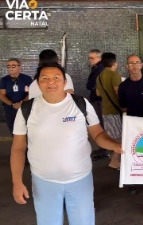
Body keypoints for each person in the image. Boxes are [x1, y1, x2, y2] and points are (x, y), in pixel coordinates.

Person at [10, 63, 123, 225]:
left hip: (80, 179)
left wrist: (115, 146)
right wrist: (17, 182)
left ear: (64, 82)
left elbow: (98, 133)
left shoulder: (80, 104)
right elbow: (18, 148)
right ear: (38, 83)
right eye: (45, 79)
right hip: (43, 181)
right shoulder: (27, 109)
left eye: (56, 78)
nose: (51, 82)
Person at [96, 52, 122, 170]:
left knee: (113, 137)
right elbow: (118, 92)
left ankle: (115, 160)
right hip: (115, 111)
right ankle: (115, 161)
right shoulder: (114, 74)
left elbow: (98, 93)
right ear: (114, 63)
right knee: (120, 137)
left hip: (105, 110)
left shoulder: (99, 76)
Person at [86, 49, 108, 160]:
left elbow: (91, 85)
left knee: (100, 125)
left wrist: (91, 87)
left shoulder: (100, 69)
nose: (90, 60)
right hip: (97, 99)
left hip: (99, 100)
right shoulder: (97, 68)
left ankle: (104, 151)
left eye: (92, 58)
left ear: (99, 58)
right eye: (89, 58)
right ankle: (102, 149)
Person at [0, 58, 32, 134]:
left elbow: (30, 93)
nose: (10, 68)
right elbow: (2, 95)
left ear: (19, 67)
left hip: (25, 109)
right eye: (8, 66)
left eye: (13, 66)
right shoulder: (4, 80)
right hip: (10, 110)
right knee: (13, 131)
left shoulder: (27, 79)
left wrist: (21, 103)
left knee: (27, 131)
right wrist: (12, 104)